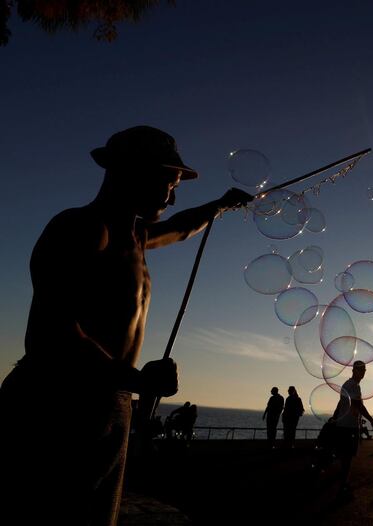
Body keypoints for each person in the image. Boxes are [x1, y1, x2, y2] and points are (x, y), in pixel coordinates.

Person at [0, 125, 251, 526]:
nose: (172, 195)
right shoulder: (82, 228)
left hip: (107, 403)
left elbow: (181, 225)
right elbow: (51, 334)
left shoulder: (134, 234)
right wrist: (136, 380)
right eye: (167, 182)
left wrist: (219, 206)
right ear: (131, 172)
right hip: (55, 408)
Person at [331, 360, 373, 498]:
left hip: (343, 425)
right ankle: (343, 485)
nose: (362, 372)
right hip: (349, 426)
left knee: (345, 456)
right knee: (347, 457)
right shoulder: (353, 386)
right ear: (354, 370)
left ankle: (342, 482)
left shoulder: (349, 384)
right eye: (360, 370)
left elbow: (341, 403)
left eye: (364, 370)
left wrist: (335, 417)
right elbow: (359, 406)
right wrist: (372, 421)